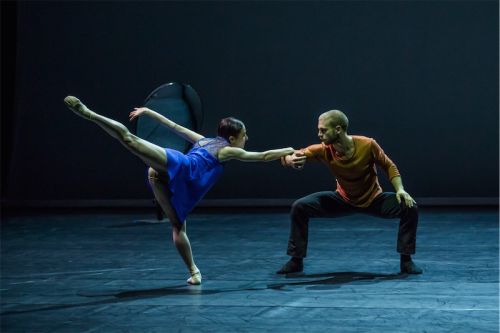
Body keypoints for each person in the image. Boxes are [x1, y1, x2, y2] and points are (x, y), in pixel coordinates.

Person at [64, 96, 295, 285]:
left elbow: (174, 126)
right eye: (245, 136)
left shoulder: (204, 141)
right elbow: (263, 156)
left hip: (164, 178)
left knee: (178, 226)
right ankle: (89, 114)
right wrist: (290, 149)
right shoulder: (226, 151)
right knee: (130, 140)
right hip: (177, 166)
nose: (247, 139)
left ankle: (195, 273)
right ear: (232, 138)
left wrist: (148, 112)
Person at [276, 110, 423, 275]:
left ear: (338, 129)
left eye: (323, 130)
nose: (319, 134)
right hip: (342, 200)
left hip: (373, 200)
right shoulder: (324, 149)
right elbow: (291, 155)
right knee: (300, 206)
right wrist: (288, 160)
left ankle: (406, 261)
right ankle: (296, 261)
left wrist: (400, 189)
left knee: (410, 208)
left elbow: (388, 166)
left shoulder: (367, 145)